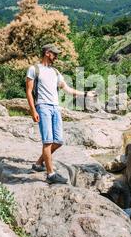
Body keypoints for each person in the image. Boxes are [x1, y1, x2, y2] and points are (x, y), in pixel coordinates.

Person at [26, 44, 96, 184]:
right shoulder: (34, 69)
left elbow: (67, 89)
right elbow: (29, 91)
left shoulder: (56, 72)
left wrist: (86, 94)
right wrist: (33, 110)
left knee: (58, 141)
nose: (56, 56)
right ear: (47, 53)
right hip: (43, 107)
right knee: (48, 141)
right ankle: (51, 174)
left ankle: (39, 164)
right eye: (54, 54)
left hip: (55, 108)